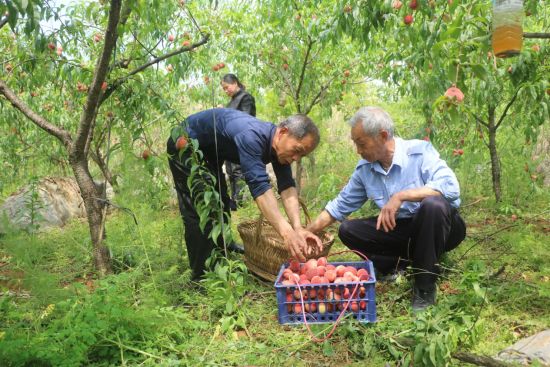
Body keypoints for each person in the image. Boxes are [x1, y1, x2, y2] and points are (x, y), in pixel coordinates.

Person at [306, 106, 466, 311]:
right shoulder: (365, 169)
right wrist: (306, 232)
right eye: (356, 144)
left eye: (361, 143)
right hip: (404, 233)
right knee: (348, 230)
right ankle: (398, 265)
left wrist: (401, 196)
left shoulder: (418, 152)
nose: (358, 150)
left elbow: (451, 188)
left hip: (441, 228)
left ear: (382, 136)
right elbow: (339, 206)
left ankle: (424, 286)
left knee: (432, 205)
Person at [167, 108, 323, 281]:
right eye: (297, 150)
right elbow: (260, 189)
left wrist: (298, 228)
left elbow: (287, 187)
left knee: (220, 199)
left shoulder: (280, 149)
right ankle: (200, 276)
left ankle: (223, 248)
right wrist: (287, 234)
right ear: (283, 132)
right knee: (198, 208)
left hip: (210, 152)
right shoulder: (252, 136)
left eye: (302, 155)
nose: (296, 158)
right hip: (185, 143)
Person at [221, 73, 256, 211]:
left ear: (235, 82)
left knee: (237, 170)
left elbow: (245, 119)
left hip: (240, 139)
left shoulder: (246, 97)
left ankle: (239, 201)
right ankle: (234, 201)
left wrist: (225, 113)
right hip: (229, 141)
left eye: (226, 87)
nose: (226, 91)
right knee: (230, 171)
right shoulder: (231, 102)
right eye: (223, 89)